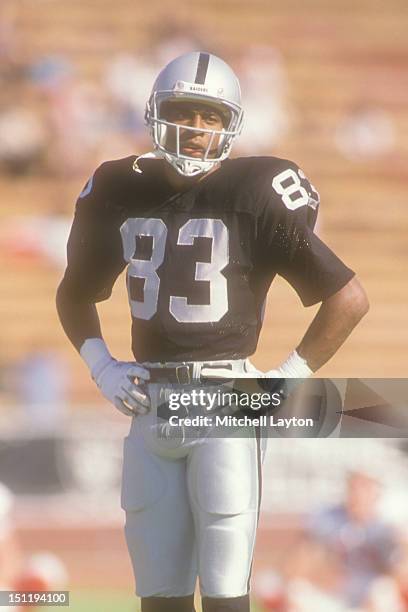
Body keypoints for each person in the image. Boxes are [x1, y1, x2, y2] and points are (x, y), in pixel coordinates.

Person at [56, 52, 369, 612]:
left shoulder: (255, 189)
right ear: (155, 113)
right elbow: (74, 292)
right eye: (184, 112)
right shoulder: (117, 185)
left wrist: (285, 380)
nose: (197, 129)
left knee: (227, 596)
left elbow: (349, 298)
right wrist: (101, 366)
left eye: (211, 117)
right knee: (159, 597)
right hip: (150, 401)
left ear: (232, 125)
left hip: (225, 402)